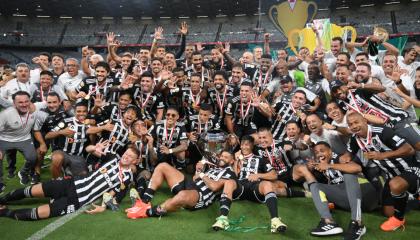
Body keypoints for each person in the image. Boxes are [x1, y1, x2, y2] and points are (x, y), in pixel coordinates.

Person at [0, 146, 139, 220]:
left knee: (39, 213)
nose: (126, 157)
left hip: (78, 199)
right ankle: (3, 199)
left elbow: (113, 193)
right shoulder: (112, 158)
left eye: (130, 157)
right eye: (126, 154)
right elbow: (89, 149)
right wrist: (94, 148)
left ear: (134, 161)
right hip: (71, 183)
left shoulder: (126, 178)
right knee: (30, 191)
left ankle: (5, 213)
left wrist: (103, 207)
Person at [345, 112, 418, 231]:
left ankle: (399, 219)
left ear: (365, 121)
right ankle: (411, 197)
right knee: (388, 211)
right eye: (350, 124)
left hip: (409, 167)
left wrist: (383, 155)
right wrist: (344, 159)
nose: (353, 126)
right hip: (391, 174)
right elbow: (348, 154)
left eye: (356, 122)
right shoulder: (355, 139)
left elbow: (409, 150)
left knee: (395, 184)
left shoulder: (382, 131)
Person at [125, 150, 236, 219]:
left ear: (232, 161)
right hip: (191, 184)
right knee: (162, 165)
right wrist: (198, 171)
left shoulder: (230, 173)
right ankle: (144, 201)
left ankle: (148, 212)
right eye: (222, 156)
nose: (222, 158)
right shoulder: (214, 168)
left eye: (226, 157)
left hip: (200, 195)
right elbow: (195, 177)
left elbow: (214, 186)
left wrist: (202, 175)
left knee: (182, 195)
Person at [211, 135, 287, 234]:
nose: (244, 147)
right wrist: (237, 161)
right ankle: (222, 219)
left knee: (267, 184)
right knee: (229, 182)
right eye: (242, 144)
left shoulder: (260, 159)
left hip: (255, 187)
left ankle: (275, 220)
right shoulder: (235, 158)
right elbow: (234, 175)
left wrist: (258, 175)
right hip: (240, 186)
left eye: (247, 145)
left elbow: (274, 175)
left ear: (252, 146)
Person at [0, 91, 45, 187]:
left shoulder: (35, 108)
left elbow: (50, 102)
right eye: (20, 102)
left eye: (26, 101)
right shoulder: (5, 115)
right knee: (4, 157)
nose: (24, 104)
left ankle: (23, 172)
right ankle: (2, 180)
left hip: (24, 139)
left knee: (33, 158)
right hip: (5, 139)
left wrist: (65, 101)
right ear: (14, 103)